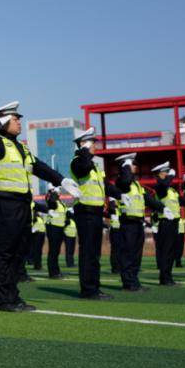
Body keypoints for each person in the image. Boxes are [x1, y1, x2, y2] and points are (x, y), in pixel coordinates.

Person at [0, 101, 80, 312]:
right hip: (4, 204)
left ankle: (14, 296)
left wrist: (61, 180)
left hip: (23, 205)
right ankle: (3, 300)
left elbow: (39, 167)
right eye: (15, 119)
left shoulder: (20, 147)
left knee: (18, 253)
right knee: (4, 253)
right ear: (4, 120)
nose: (19, 122)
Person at [69, 127, 112, 300]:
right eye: (92, 142)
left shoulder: (93, 165)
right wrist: (84, 151)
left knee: (95, 253)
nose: (95, 146)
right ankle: (88, 290)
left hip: (95, 213)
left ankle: (95, 287)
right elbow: (83, 168)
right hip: (85, 212)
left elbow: (104, 186)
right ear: (84, 144)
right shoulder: (78, 161)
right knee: (88, 252)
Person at [113, 153, 164, 292]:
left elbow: (148, 199)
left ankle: (134, 281)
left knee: (136, 255)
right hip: (127, 223)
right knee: (128, 255)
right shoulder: (122, 181)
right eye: (132, 164)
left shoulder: (136, 185)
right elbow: (125, 181)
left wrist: (163, 208)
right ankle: (128, 283)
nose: (135, 167)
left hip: (137, 223)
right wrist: (126, 169)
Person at [150, 162, 181, 286]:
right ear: (160, 174)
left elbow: (180, 200)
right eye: (166, 172)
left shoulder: (170, 190)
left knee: (171, 252)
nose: (168, 174)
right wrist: (171, 176)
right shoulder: (160, 187)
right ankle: (165, 279)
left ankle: (168, 277)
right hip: (166, 223)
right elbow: (164, 184)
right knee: (166, 252)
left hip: (173, 223)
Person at [43, 186, 69, 279]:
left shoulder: (59, 202)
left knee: (56, 251)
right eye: (58, 190)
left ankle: (56, 270)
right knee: (53, 251)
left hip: (59, 228)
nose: (60, 192)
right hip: (53, 227)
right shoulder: (52, 199)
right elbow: (51, 202)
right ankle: (53, 273)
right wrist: (53, 192)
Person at [28, 197, 48, 273]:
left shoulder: (40, 218)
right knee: (35, 250)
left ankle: (38, 264)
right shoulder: (35, 217)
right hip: (36, 233)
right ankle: (36, 264)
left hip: (41, 233)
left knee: (38, 250)